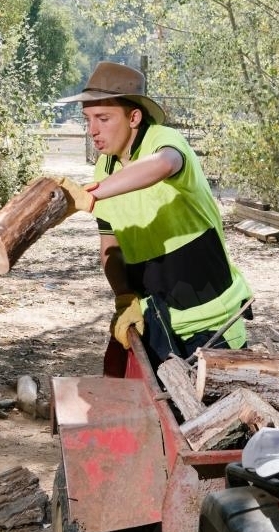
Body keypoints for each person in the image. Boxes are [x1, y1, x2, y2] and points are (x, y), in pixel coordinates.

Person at [56, 61, 252, 366]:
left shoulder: (163, 139)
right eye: (88, 119)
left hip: (212, 320)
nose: (92, 130)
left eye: (103, 118)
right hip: (154, 316)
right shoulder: (103, 168)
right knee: (124, 388)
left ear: (134, 117)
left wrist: (89, 194)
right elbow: (110, 247)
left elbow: (164, 164)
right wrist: (124, 297)